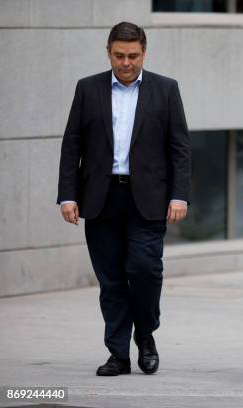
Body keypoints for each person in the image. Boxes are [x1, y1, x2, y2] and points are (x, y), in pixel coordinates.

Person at [57, 21, 191, 376]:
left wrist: (179, 195)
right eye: (119, 56)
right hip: (100, 198)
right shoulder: (88, 89)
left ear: (143, 53)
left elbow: (179, 148)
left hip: (147, 199)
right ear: (109, 53)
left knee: (145, 269)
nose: (126, 63)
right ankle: (118, 353)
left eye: (133, 56)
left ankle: (145, 335)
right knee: (112, 279)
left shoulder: (165, 89)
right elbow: (72, 145)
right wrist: (67, 196)